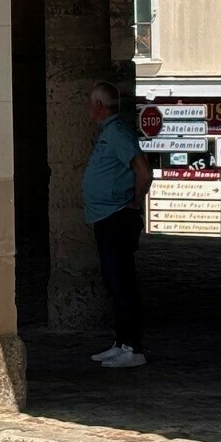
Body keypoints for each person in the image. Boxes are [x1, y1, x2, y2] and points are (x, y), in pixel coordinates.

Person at [85, 80, 152, 369]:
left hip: (116, 217)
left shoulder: (118, 133)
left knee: (123, 283)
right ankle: (121, 342)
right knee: (114, 282)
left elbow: (143, 171)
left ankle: (133, 348)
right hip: (105, 216)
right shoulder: (108, 133)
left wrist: (134, 203)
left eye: (91, 103)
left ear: (98, 106)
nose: (89, 108)